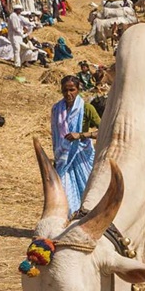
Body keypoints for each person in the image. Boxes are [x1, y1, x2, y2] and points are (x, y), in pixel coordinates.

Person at [50, 75, 100, 214]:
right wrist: (57, 156)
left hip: (82, 157)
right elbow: (55, 135)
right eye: (65, 90)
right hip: (63, 158)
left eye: (72, 90)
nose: (68, 94)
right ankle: (68, 218)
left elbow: (104, 131)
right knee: (64, 191)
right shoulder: (57, 109)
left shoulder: (87, 108)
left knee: (85, 190)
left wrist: (81, 135)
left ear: (78, 90)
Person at [6, 2, 33, 68]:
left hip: (19, 36)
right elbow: (15, 28)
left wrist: (31, 24)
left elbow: (25, 21)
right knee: (17, 49)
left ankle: (20, 61)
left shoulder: (19, 16)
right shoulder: (13, 16)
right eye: (19, 10)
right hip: (14, 35)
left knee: (22, 49)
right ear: (16, 10)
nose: (20, 11)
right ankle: (17, 64)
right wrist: (22, 32)